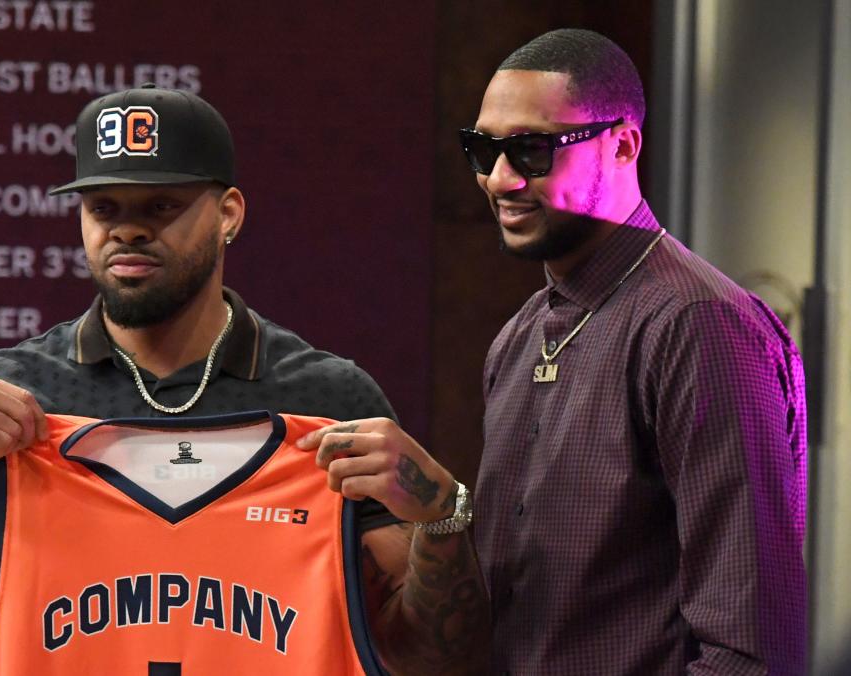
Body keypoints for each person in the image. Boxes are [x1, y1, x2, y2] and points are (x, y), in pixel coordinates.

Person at [0, 85, 488, 674]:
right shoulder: (16, 395)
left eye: (161, 206)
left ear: (227, 213)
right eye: (104, 208)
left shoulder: (327, 399)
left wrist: (440, 514)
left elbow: (432, 660)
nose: (126, 231)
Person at [303, 28, 806, 675]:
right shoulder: (517, 337)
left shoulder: (698, 323)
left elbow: (753, 651)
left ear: (623, 144)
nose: (500, 180)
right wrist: (440, 514)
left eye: (533, 151)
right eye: (483, 151)